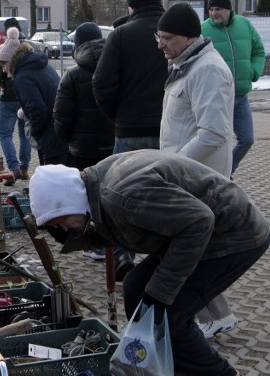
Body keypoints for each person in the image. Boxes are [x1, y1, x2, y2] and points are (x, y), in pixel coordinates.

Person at [28, 151, 270, 376]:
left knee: (168, 314)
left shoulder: (120, 195)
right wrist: (74, 237)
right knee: (135, 288)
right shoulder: (95, 185)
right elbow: (121, 226)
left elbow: (199, 221)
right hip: (195, 234)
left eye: (61, 221)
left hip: (233, 235)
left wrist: (162, 291)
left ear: (69, 202)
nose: (63, 228)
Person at [157, 3, 238, 340]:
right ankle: (218, 315)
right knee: (190, 251)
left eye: (167, 38)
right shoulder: (187, 64)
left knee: (190, 251)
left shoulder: (207, 70)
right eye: (158, 37)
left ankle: (213, 317)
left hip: (196, 177)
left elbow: (214, 133)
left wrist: (173, 165)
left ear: (190, 37)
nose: (160, 44)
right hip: (184, 174)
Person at [92, 0, 169, 280]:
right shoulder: (174, 32)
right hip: (168, 131)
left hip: (130, 130)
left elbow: (101, 83)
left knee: (119, 195)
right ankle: (163, 259)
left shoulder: (122, 35)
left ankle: (124, 252)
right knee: (165, 195)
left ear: (130, 6)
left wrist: (119, 115)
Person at [53, 22, 114, 261]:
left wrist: (68, 140)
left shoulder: (72, 74)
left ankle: (96, 244)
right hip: (115, 144)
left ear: (77, 45)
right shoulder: (115, 67)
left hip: (83, 147)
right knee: (113, 192)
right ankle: (117, 245)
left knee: (88, 195)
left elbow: (61, 115)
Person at [202, 0, 266, 176]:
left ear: (229, 10)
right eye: (211, 9)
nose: (214, 13)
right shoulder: (202, 30)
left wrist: (254, 72)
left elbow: (259, 51)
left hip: (240, 96)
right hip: (217, 97)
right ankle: (217, 176)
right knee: (219, 142)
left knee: (247, 139)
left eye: (219, 9)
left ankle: (226, 172)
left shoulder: (245, 25)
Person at [3, 33, 71, 166]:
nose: (3, 70)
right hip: (63, 131)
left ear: (10, 61)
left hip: (51, 137)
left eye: (3, 64)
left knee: (52, 181)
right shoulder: (41, 66)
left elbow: (38, 110)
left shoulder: (22, 77)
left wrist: (35, 133)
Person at [0, 18, 34, 186]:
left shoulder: (1, 50)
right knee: (25, 134)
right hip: (26, 98)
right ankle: (25, 168)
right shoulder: (30, 48)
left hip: (9, 99)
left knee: (5, 135)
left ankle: (14, 169)